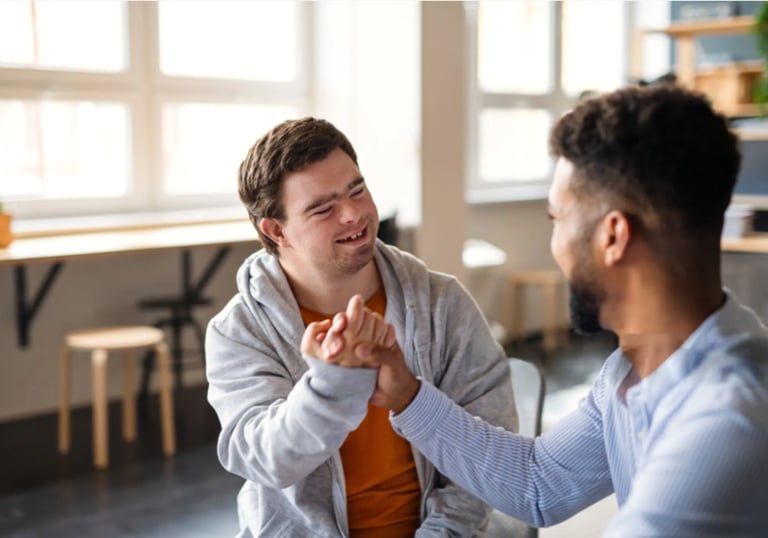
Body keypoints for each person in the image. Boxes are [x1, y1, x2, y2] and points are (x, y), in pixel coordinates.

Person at [308, 84, 768, 537]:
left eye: (557, 218)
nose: (555, 243)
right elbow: (539, 485)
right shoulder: (630, 373)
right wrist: (407, 393)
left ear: (613, 236)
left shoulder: (728, 422)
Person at [204, 117, 516, 537]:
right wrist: (332, 385)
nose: (355, 214)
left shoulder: (443, 304)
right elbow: (267, 459)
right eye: (324, 208)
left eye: (357, 190)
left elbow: (487, 452)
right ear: (277, 230)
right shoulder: (239, 330)